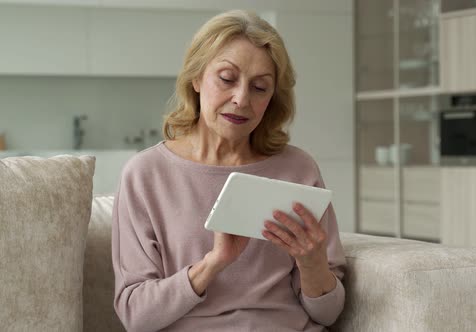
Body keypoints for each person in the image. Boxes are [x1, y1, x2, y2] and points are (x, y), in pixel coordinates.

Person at [112, 10, 346, 332]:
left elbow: (329, 314)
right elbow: (135, 316)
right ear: (196, 78)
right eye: (226, 79)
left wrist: (312, 263)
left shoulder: (298, 168)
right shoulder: (146, 174)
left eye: (260, 87)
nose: (241, 99)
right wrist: (213, 264)